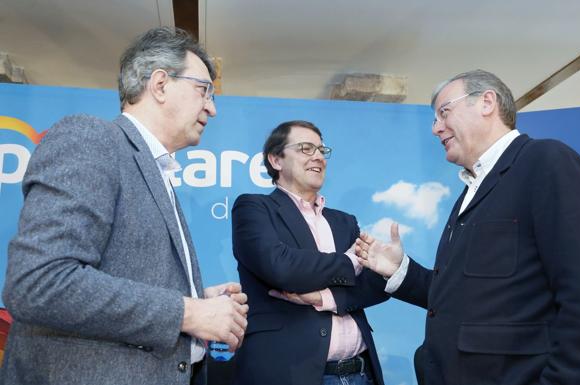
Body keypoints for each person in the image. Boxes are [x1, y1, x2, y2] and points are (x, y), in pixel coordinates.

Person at [1, 27, 248, 385]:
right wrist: (188, 312)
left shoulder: (155, 169)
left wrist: (196, 296)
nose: (212, 107)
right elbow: (39, 282)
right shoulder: (92, 139)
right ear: (160, 84)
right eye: (204, 89)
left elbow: (124, 274)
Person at [356, 69, 580, 385]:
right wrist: (400, 270)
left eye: (444, 113)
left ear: (487, 102)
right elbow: (469, 299)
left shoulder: (547, 161)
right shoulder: (469, 193)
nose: (435, 128)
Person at [231, 121, 389, 385]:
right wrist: (349, 262)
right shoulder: (254, 208)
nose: (317, 156)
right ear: (276, 160)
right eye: (305, 148)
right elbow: (281, 267)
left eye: (321, 149)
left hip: (361, 373)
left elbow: (375, 284)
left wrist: (324, 297)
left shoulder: (345, 222)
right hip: (290, 373)